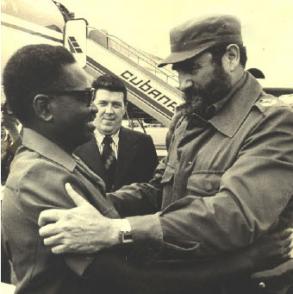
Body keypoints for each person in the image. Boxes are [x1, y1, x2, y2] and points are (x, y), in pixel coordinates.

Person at [3, 44, 291, 294]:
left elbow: (228, 210)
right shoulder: (41, 177)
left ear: (232, 58)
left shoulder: (270, 122)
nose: (96, 109)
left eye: (191, 68)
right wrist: (247, 261)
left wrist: (112, 218)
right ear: (43, 109)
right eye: (85, 98)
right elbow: (128, 280)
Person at [75, 74, 158, 192]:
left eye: (116, 105)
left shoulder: (143, 144)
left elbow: (152, 192)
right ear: (92, 106)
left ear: (125, 108)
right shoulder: (74, 143)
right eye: (103, 104)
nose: (109, 111)